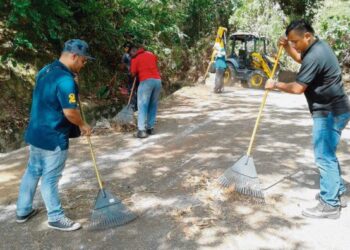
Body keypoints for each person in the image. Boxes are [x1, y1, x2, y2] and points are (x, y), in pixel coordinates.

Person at [265, 20, 350, 219]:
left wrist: (275, 84)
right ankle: (339, 193)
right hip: (336, 109)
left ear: (307, 37)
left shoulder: (315, 54)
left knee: (323, 156)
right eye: (290, 42)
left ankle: (330, 204)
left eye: (295, 41)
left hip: (329, 112)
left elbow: (297, 88)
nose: (294, 45)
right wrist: (286, 47)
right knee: (328, 153)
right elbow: (301, 60)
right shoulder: (317, 48)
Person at [16, 39, 93, 231]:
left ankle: (23, 210)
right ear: (74, 56)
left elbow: (49, 96)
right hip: (53, 136)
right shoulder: (66, 80)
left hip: (36, 132)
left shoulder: (46, 70)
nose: (83, 66)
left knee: (33, 171)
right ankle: (55, 217)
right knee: (50, 178)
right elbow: (70, 112)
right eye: (83, 61)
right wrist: (83, 125)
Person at [129, 45, 162, 138]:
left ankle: (141, 130)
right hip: (157, 81)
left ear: (134, 52)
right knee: (153, 104)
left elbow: (132, 73)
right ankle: (150, 128)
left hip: (146, 81)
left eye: (131, 53)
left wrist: (134, 72)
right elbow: (155, 64)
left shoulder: (135, 58)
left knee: (142, 105)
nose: (130, 55)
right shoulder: (151, 54)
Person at [121, 42, 138, 111]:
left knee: (133, 90)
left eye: (126, 48)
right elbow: (122, 65)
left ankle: (134, 106)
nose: (125, 49)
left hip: (134, 74)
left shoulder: (129, 55)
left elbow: (122, 66)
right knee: (132, 90)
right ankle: (134, 105)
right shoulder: (127, 55)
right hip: (131, 74)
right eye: (125, 48)